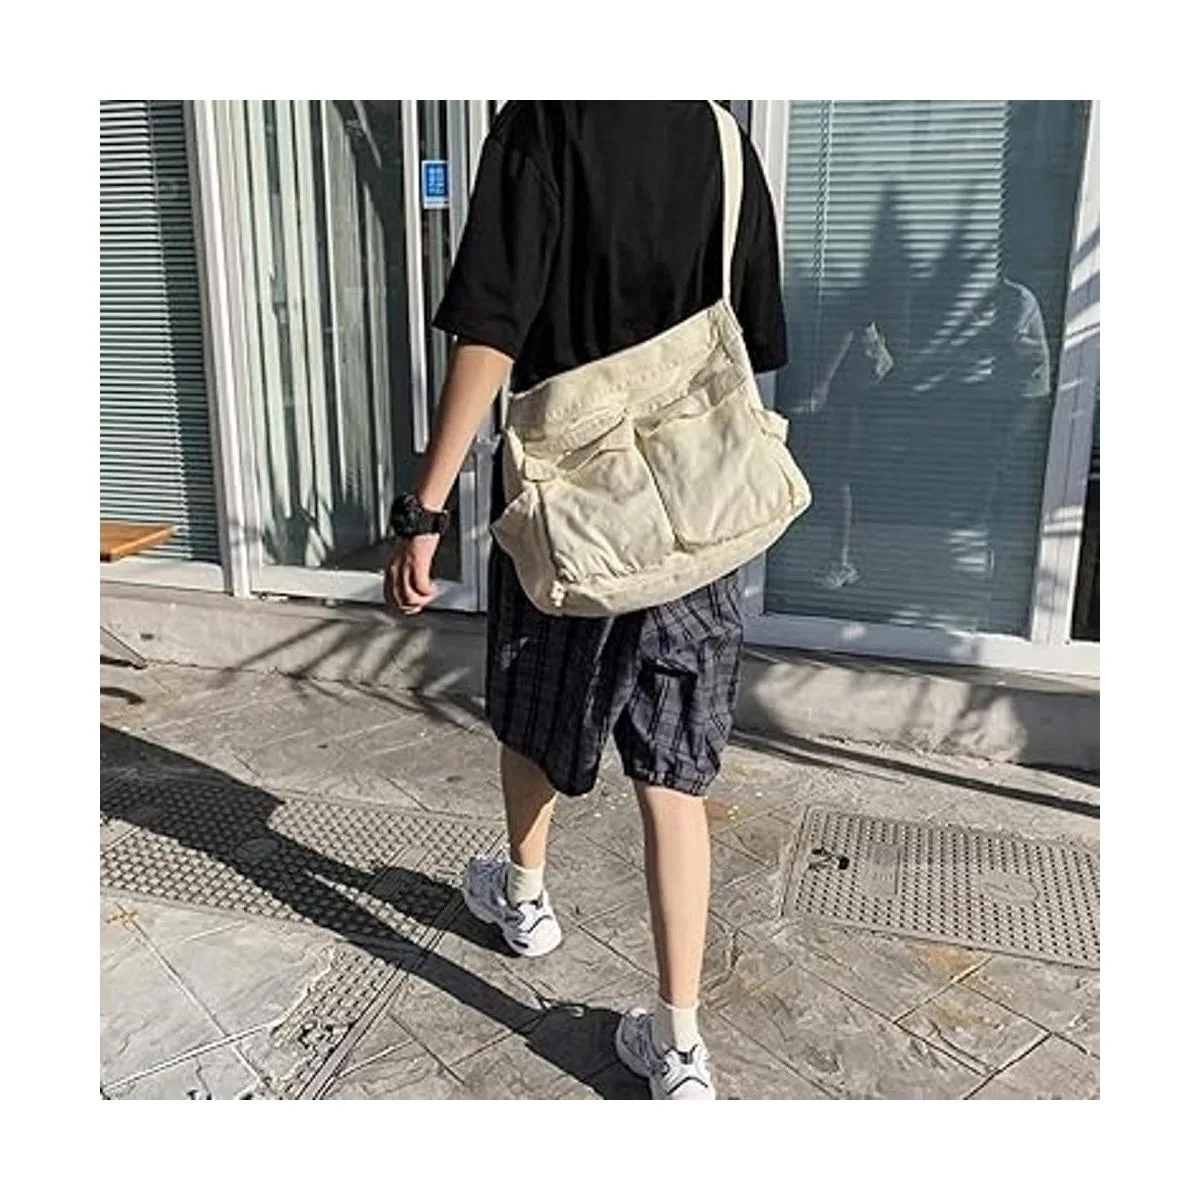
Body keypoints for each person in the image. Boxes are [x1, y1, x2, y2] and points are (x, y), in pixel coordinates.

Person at [385, 101, 786, 1100]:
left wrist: (425, 507)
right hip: (693, 513)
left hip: (570, 503)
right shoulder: (724, 137)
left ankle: (524, 898)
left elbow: (490, 330)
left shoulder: (543, 122)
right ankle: (680, 1047)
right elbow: (754, 339)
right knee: (675, 770)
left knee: (536, 708)